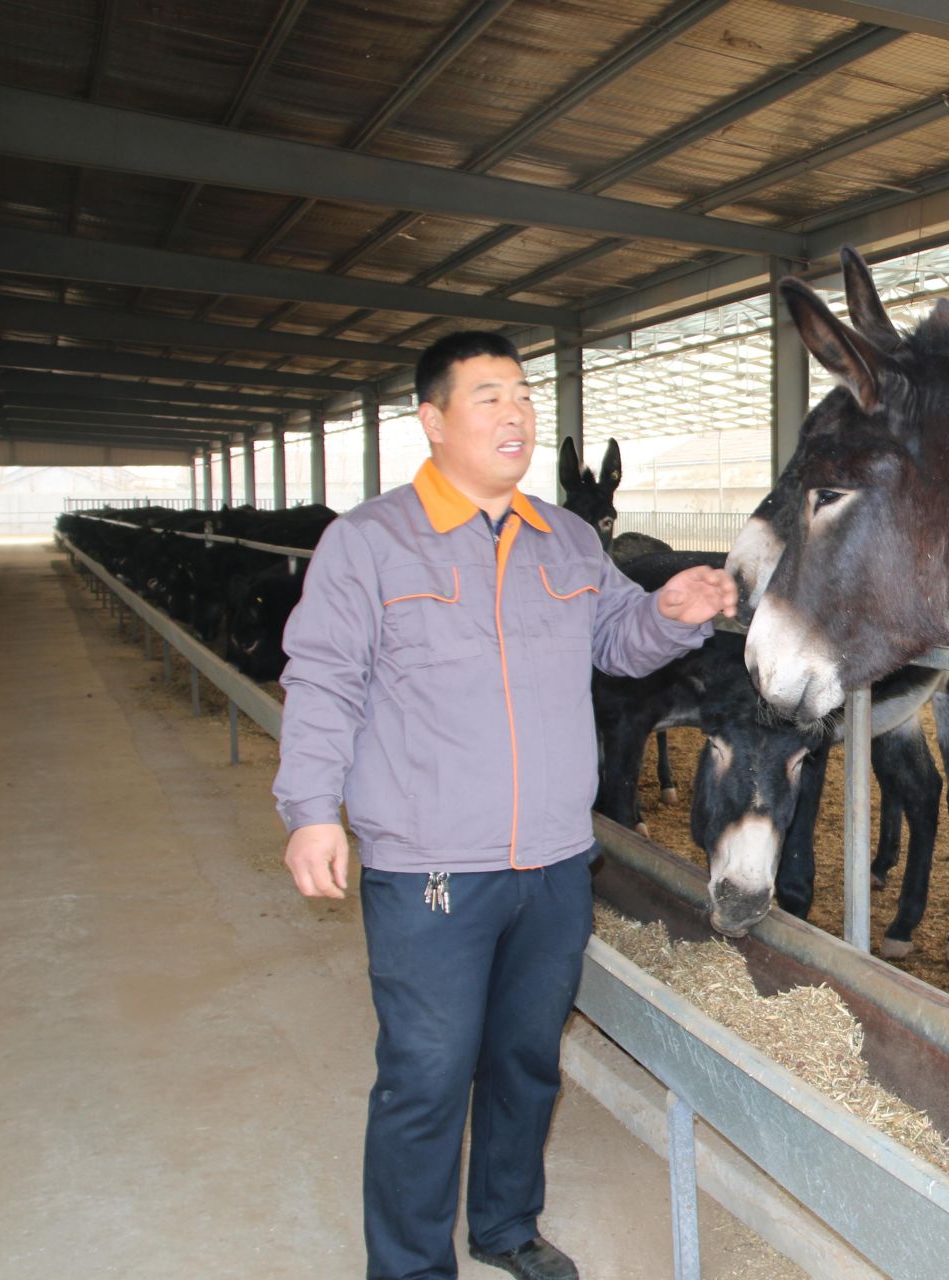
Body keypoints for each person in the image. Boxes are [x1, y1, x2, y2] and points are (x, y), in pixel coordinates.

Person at [273, 330, 736, 1280]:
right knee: (427, 1078)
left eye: (522, 395)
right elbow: (322, 680)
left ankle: (506, 1227)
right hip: (431, 866)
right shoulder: (369, 543)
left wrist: (671, 613)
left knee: (527, 1062)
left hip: (558, 863)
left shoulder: (564, 538)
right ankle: (407, 1268)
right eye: (488, 396)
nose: (516, 412)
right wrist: (311, 807)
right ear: (433, 420)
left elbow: (617, 639)